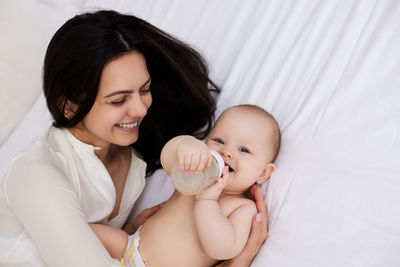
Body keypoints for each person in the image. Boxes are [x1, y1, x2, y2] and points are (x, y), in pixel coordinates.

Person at [0, 10, 267, 267]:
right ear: (69, 106)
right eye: (118, 100)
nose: (141, 109)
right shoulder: (36, 175)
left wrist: (131, 233)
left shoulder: (131, 150)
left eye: (145, 89)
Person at [90, 104, 280, 267]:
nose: (227, 151)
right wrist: (185, 145)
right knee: (81, 231)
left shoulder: (243, 208)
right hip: (128, 247)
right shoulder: (195, 175)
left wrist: (207, 201)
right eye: (219, 140)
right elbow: (168, 158)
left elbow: (222, 249)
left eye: (244, 150)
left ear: (263, 173)